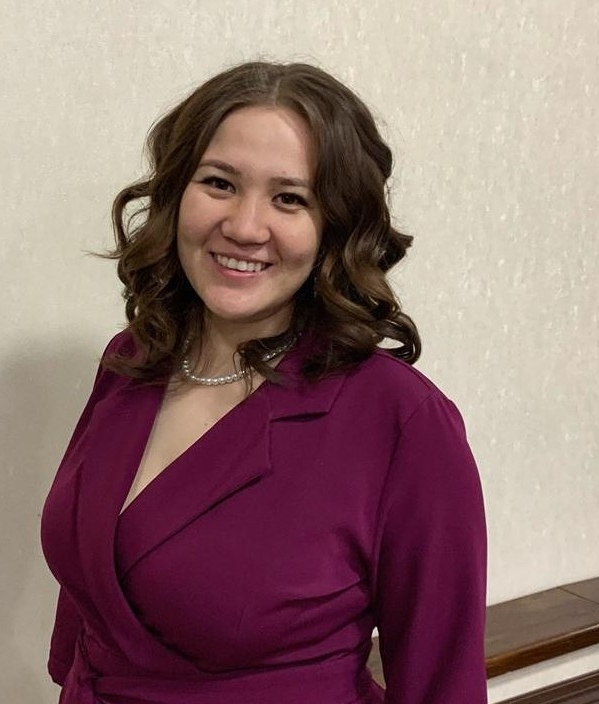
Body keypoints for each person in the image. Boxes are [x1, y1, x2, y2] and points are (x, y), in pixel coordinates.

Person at [41, 61, 487, 704]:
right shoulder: (132, 360)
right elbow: (88, 605)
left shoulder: (401, 420)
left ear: (335, 227)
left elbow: (443, 683)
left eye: (290, 198)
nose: (245, 227)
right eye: (219, 183)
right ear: (176, 193)